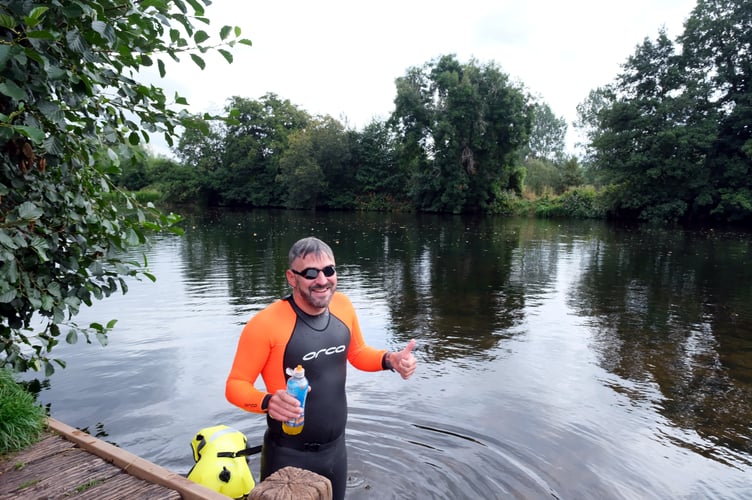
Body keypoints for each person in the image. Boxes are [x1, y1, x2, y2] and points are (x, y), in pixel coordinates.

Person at [226, 236, 417, 499]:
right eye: (311, 273)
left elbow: (358, 353)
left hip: (336, 451)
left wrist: (390, 360)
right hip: (287, 455)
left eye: (329, 270)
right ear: (292, 278)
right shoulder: (265, 324)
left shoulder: (343, 307)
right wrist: (268, 401)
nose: (322, 280)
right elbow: (235, 385)